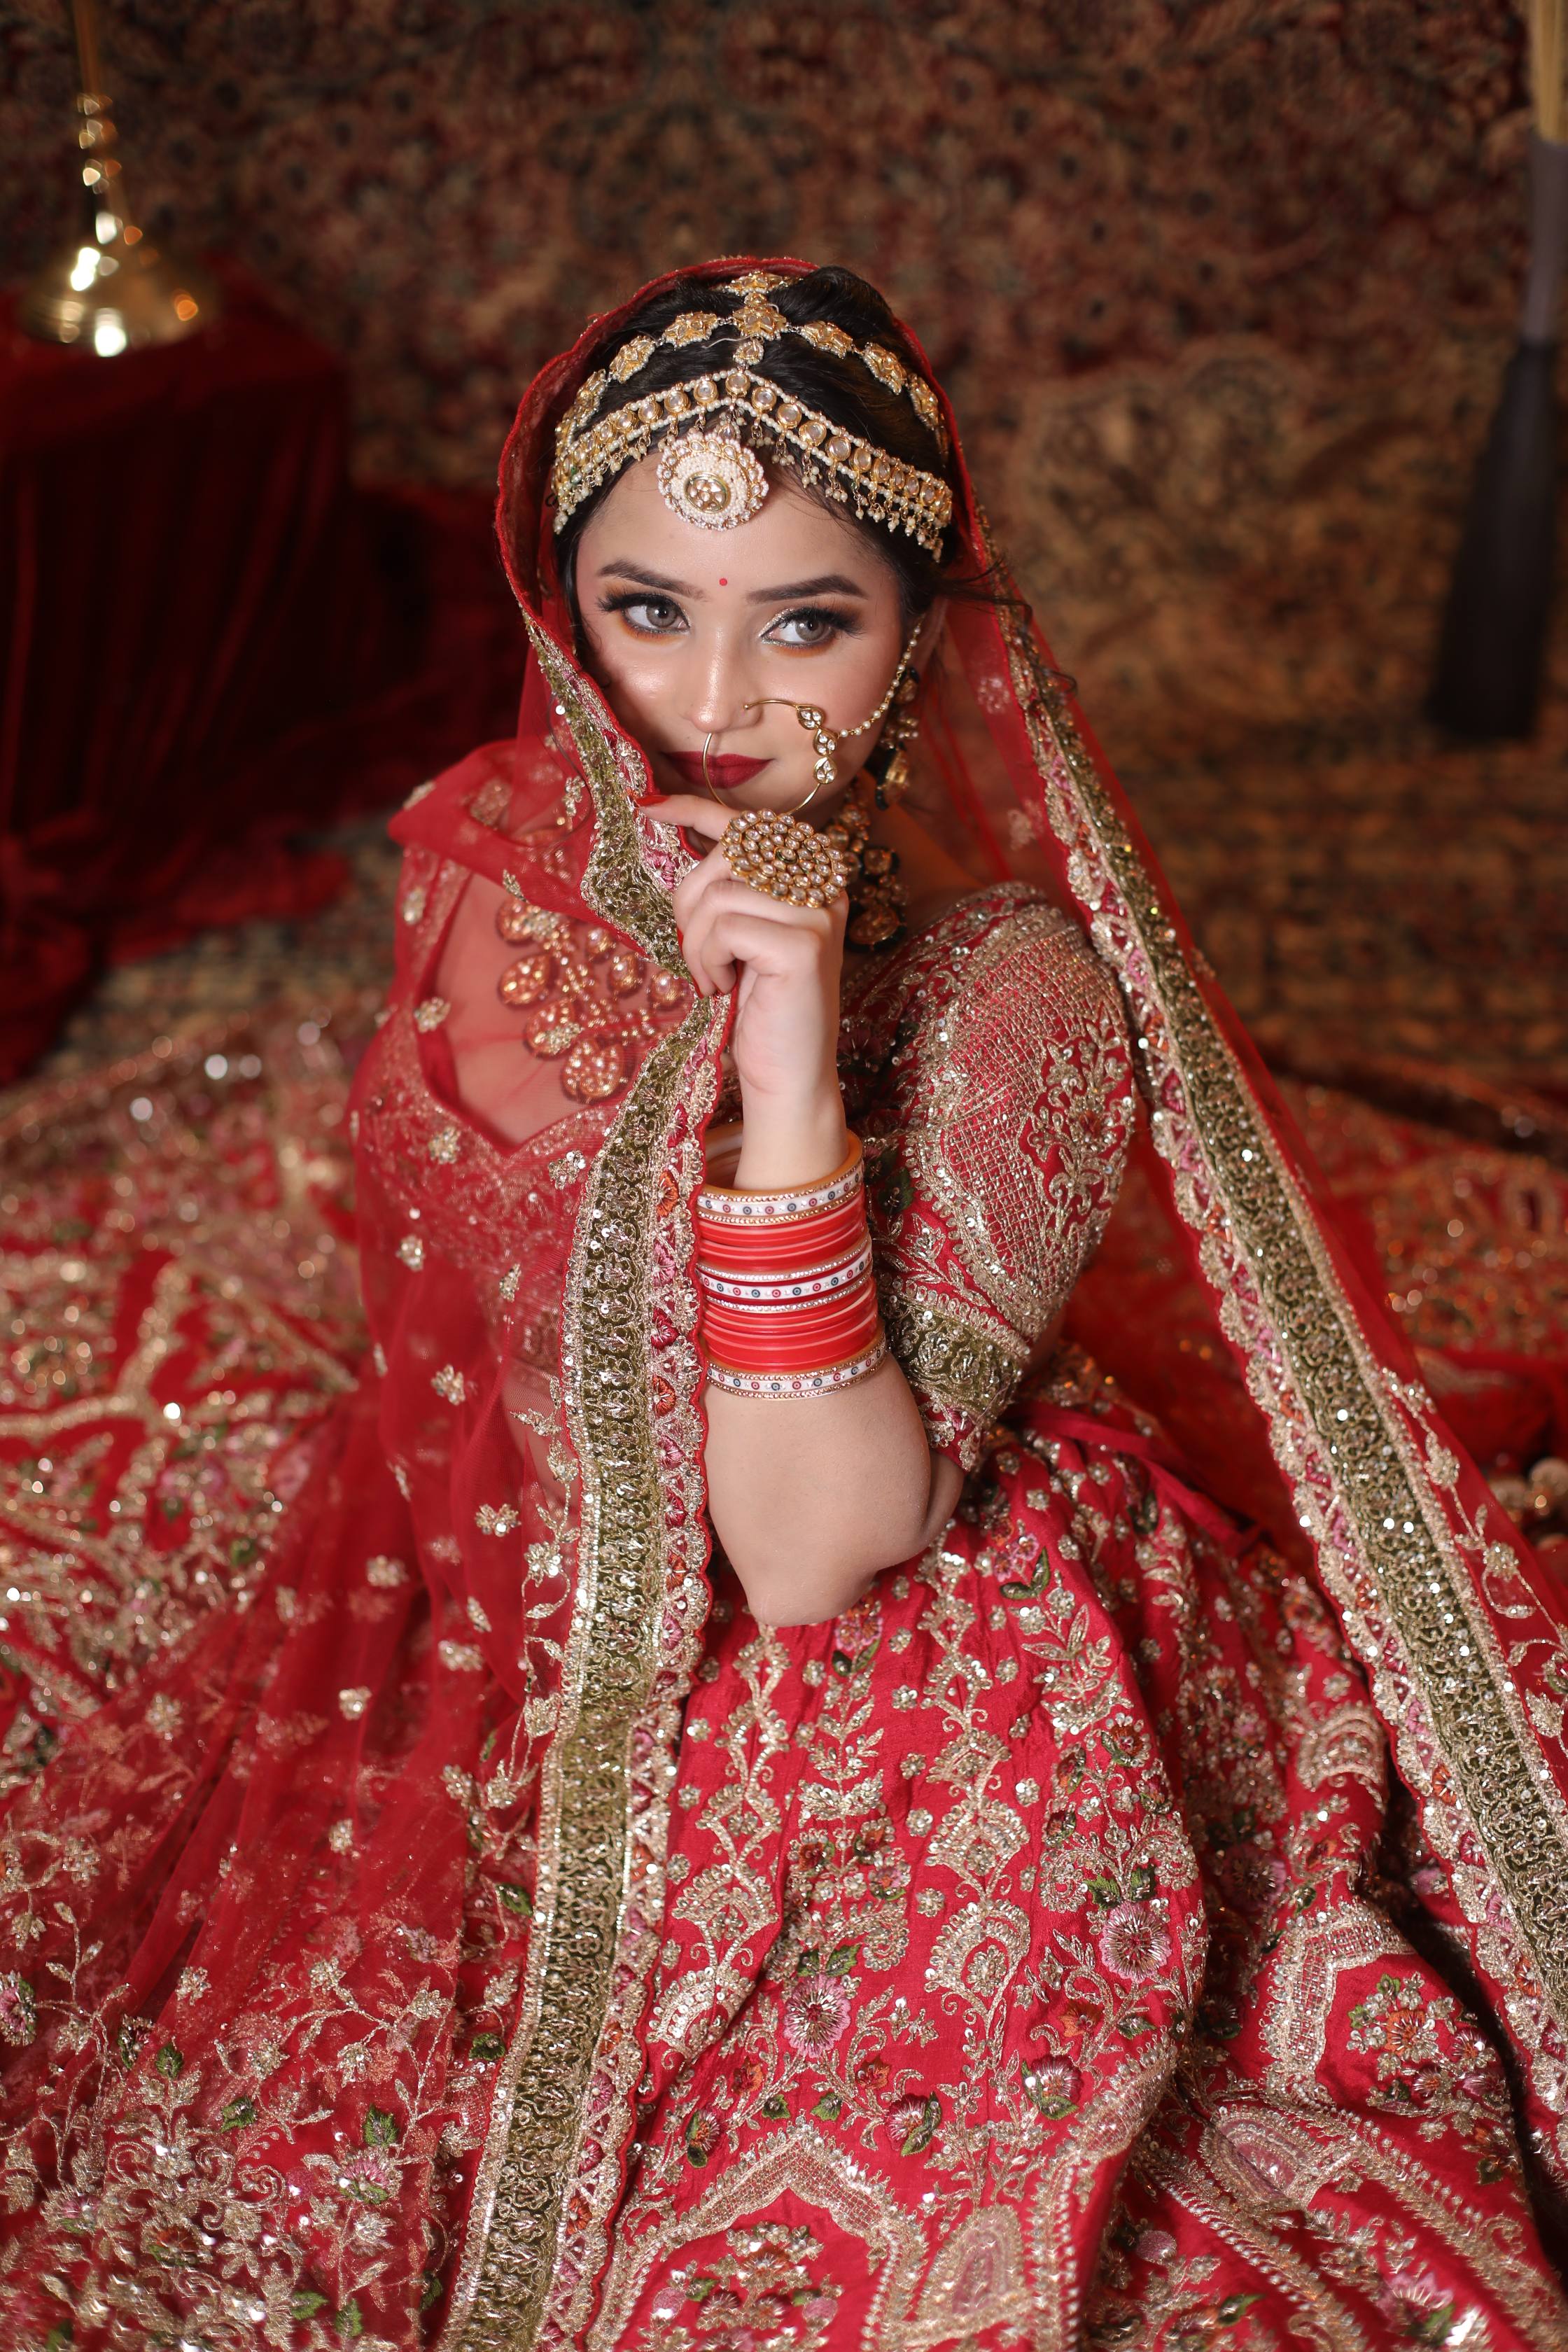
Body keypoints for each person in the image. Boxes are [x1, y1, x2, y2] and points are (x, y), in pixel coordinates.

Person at [2, 257, 1567, 2352]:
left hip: (899, 1602)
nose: (715, 703)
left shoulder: (1020, 1008)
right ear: (568, 610)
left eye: (805, 619)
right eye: (647, 609)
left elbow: (815, 1548)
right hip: (519, 1574)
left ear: (919, 632)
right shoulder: (486, 851)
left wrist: (794, 1066)